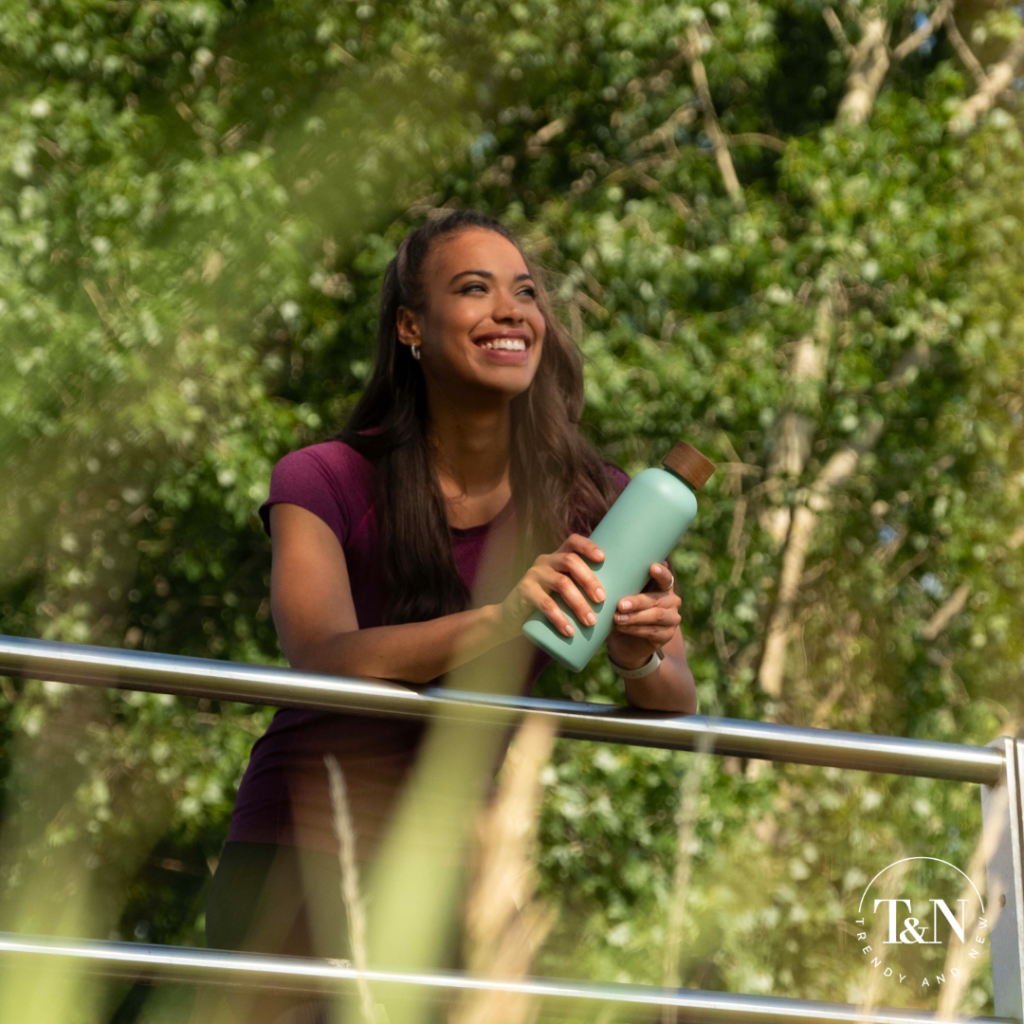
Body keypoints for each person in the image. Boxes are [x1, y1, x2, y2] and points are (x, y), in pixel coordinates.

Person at [202, 208, 697, 1022]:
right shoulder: (322, 477)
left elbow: (675, 694)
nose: (512, 311)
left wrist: (639, 648)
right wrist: (503, 618)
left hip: (462, 872)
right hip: (302, 850)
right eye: (475, 290)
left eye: (526, 293)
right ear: (411, 327)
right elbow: (321, 653)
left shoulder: (594, 497)